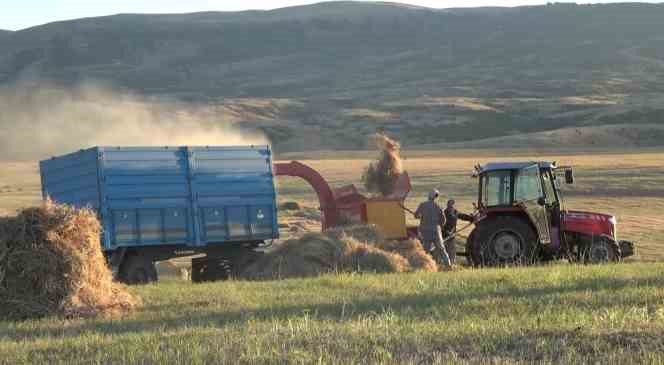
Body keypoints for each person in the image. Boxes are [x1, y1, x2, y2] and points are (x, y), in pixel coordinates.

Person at [414, 189, 451, 268]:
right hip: (436, 232)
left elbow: (416, 215)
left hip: (425, 232)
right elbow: (443, 220)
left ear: (429, 196)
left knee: (425, 251)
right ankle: (448, 266)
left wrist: (420, 216)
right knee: (442, 250)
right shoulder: (439, 207)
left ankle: (423, 267)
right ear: (435, 197)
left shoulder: (422, 205)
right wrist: (439, 226)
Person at [442, 199, 474, 265]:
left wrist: (471, 218)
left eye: (452, 205)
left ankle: (451, 264)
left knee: (452, 251)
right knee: (443, 250)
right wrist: (446, 232)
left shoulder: (455, 212)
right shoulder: (444, 213)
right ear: (447, 205)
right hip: (444, 235)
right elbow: (440, 224)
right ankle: (441, 264)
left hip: (452, 235)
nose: (450, 206)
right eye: (449, 205)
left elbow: (462, 216)